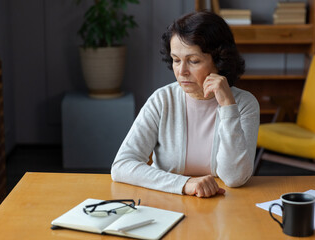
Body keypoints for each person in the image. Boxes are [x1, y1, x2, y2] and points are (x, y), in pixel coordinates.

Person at [111, 11, 260, 198]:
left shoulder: (244, 104)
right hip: (167, 202)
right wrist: (185, 184)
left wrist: (228, 107)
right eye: (176, 60)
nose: (182, 71)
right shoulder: (162, 100)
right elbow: (122, 165)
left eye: (193, 61)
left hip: (223, 204)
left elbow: (234, 178)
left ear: (220, 60)